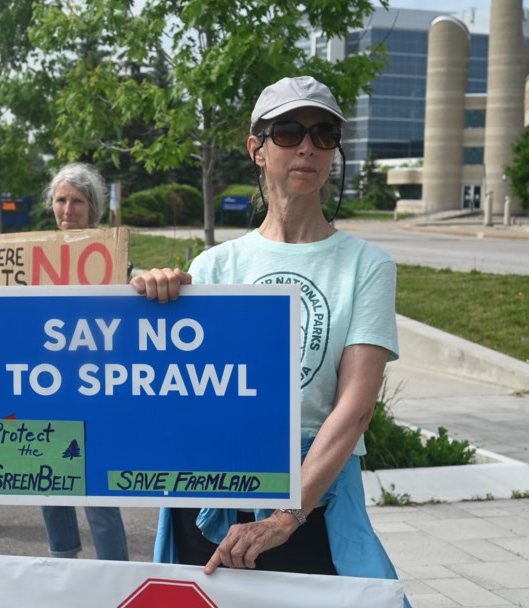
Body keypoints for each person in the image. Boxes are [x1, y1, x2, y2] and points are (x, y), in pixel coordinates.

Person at [131, 76, 408, 601]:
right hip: (212, 488)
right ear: (256, 148)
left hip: (312, 499)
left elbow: (355, 409)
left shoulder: (366, 265)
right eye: (288, 131)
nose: (307, 146)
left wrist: (284, 518)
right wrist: (150, 304)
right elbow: (176, 388)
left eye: (324, 133)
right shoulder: (215, 265)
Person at [38, 162, 129, 561]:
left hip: (94, 390)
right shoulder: (33, 256)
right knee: (48, 487)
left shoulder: (110, 257)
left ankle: (117, 580)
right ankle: (64, 570)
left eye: (77, 201)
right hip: (45, 388)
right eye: (60, 200)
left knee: (98, 497)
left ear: (92, 208)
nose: (67, 209)